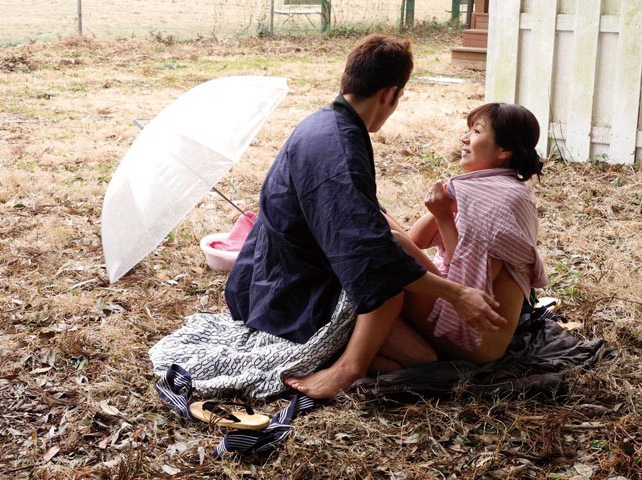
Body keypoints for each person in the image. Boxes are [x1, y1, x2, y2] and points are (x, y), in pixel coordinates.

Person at [225, 34, 506, 399]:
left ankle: (351, 357)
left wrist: (413, 235)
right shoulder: (338, 145)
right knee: (419, 356)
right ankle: (346, 369)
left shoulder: (326, 123)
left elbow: (361, 210)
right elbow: (370, 256)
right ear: (390, 94)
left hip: (268, 272)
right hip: (292, 290)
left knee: (394, 259)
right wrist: (458, 294)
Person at [382, 102, 548, 366]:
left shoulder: (504, 198)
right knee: (376, 218)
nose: (465, 138)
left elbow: (471, 283)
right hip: (459, 306)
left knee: (385, 240)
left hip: (475, 333)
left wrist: (443, 217)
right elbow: (417, 243)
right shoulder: (477, 190)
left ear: (504, 150)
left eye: (477, 132)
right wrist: (442, 207)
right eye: (469, 130)